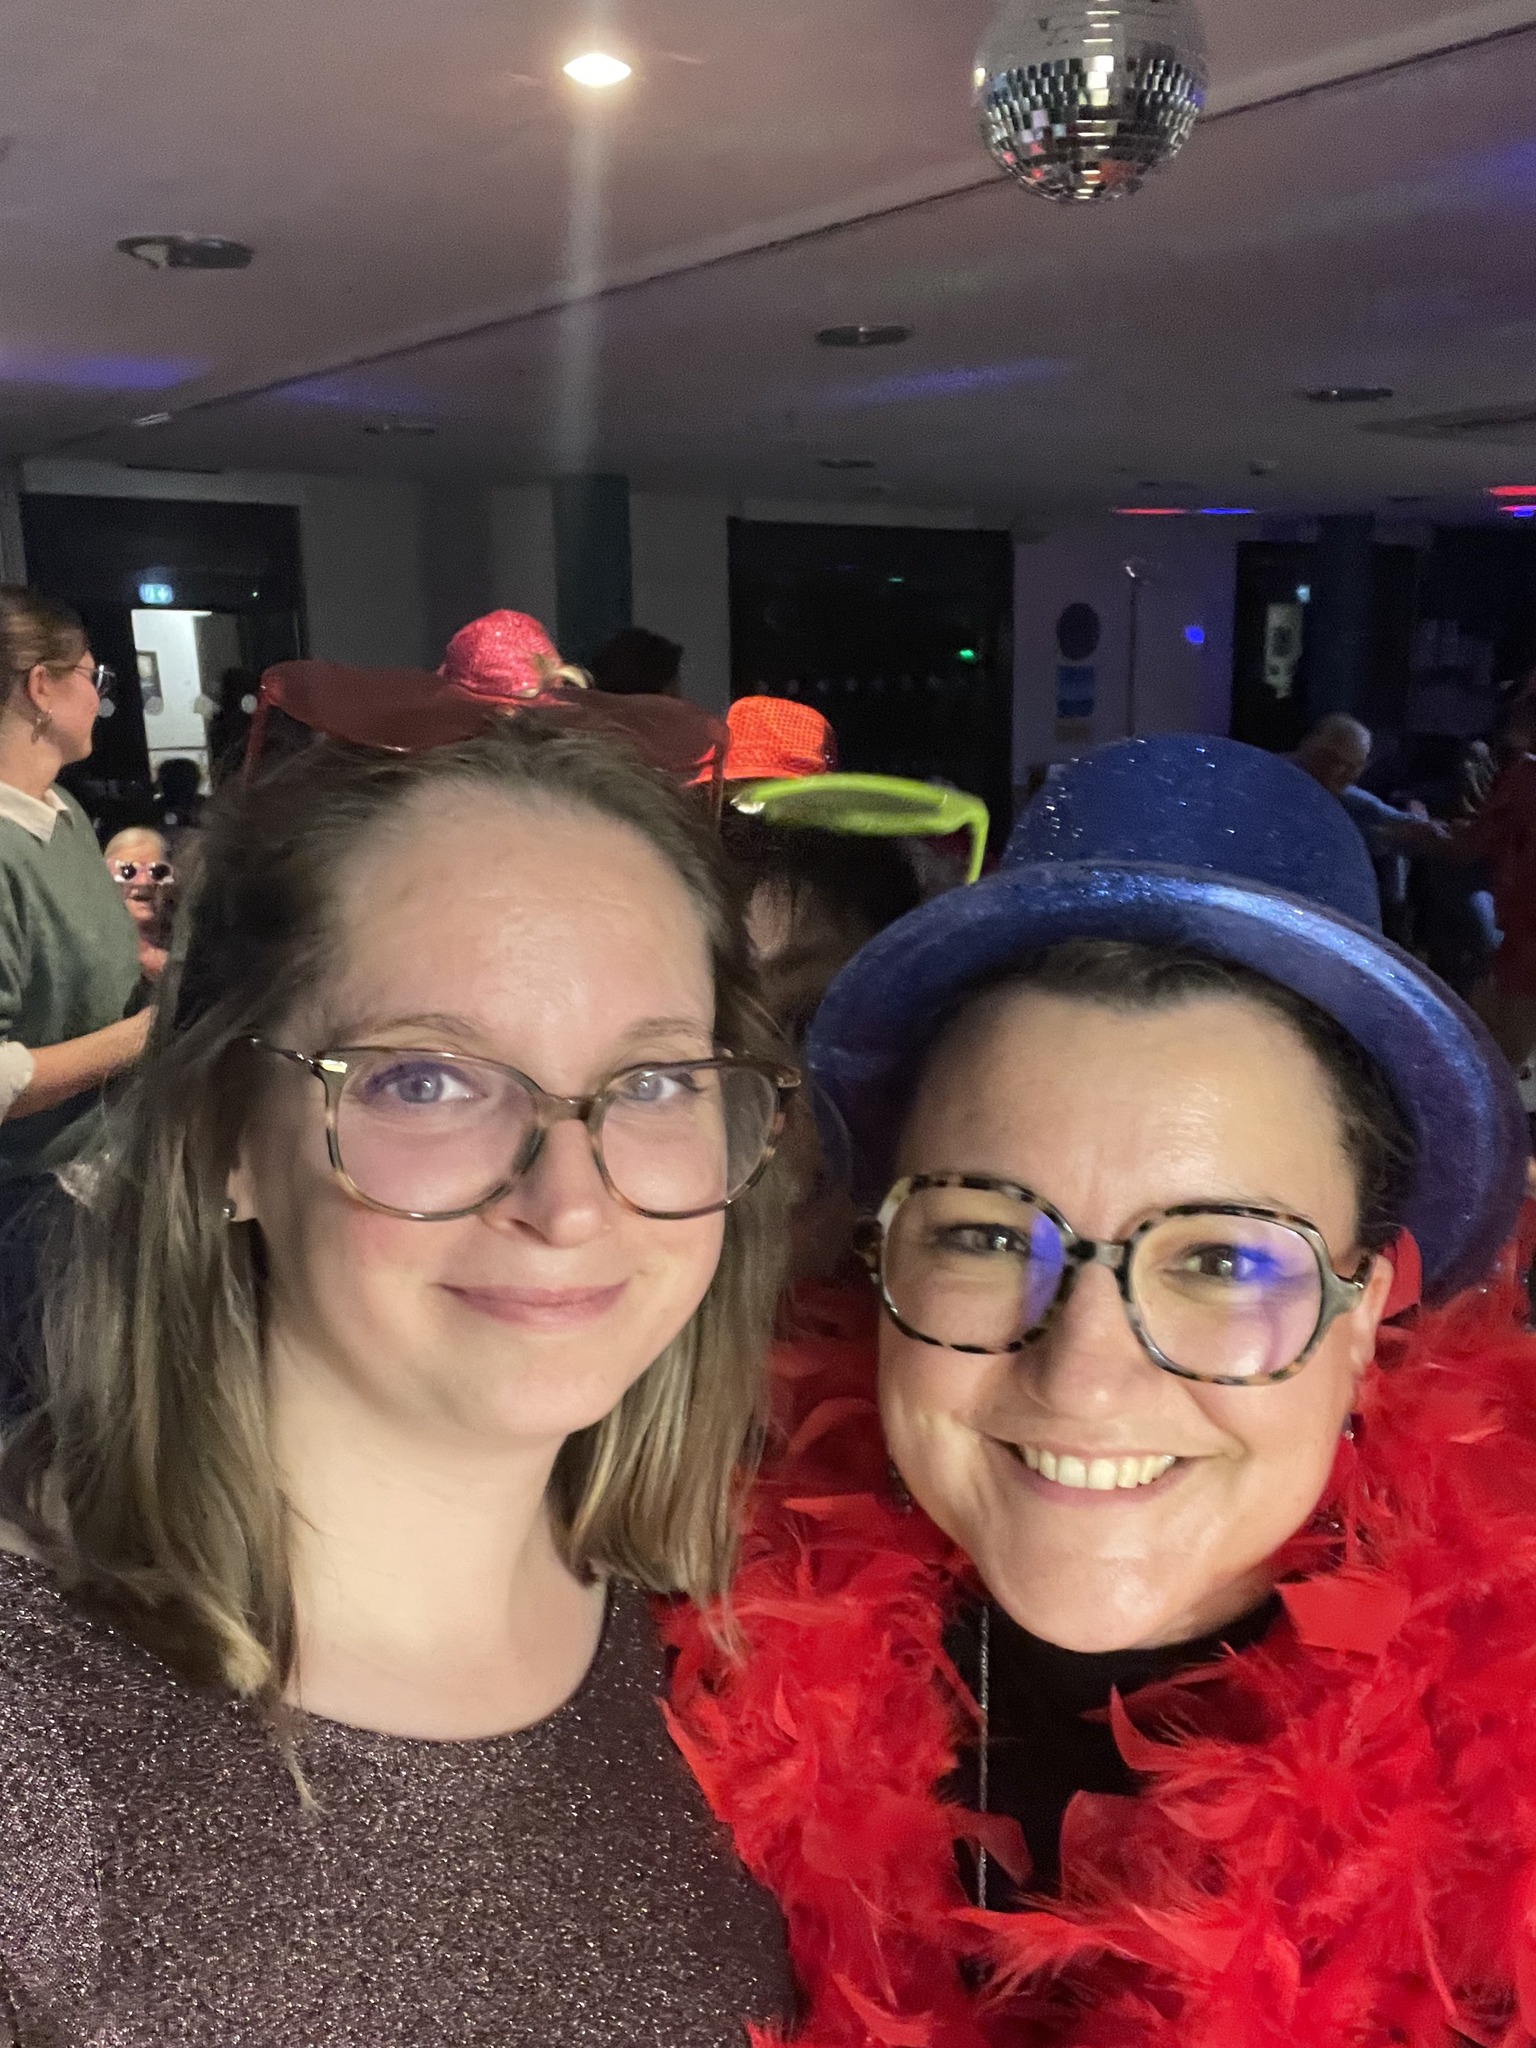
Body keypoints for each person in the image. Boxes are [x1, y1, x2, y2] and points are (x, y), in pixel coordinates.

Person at [666, 734, 1536, 2045]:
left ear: (1364, 1310)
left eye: (1220, 1258)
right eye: (986, 1233)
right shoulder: (679, 1649)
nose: (1081, 1370)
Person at [0, 713, 798, 2043]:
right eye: (427, 1079)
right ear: (225, 1136)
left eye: (654, 1078)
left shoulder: (744, 1634)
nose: (570, 1199)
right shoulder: (27, 1743)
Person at [0, 589, 146, 1404]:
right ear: (41, 687)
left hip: (94, 1174)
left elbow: (79, 954)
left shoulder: (60, 813)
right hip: (26, 1208)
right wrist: (143, 1037)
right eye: (94, 676)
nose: (101, 696)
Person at [103, 824, 174, 980]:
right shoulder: (90, 947)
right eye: (128, 871)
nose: (144, 882)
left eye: (157, 872)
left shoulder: (187, 943)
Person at [590, 625, 684, 698]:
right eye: (675, 684)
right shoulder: (678, 715)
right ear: (667, 691)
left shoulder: (586, 712)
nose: (680, 694)